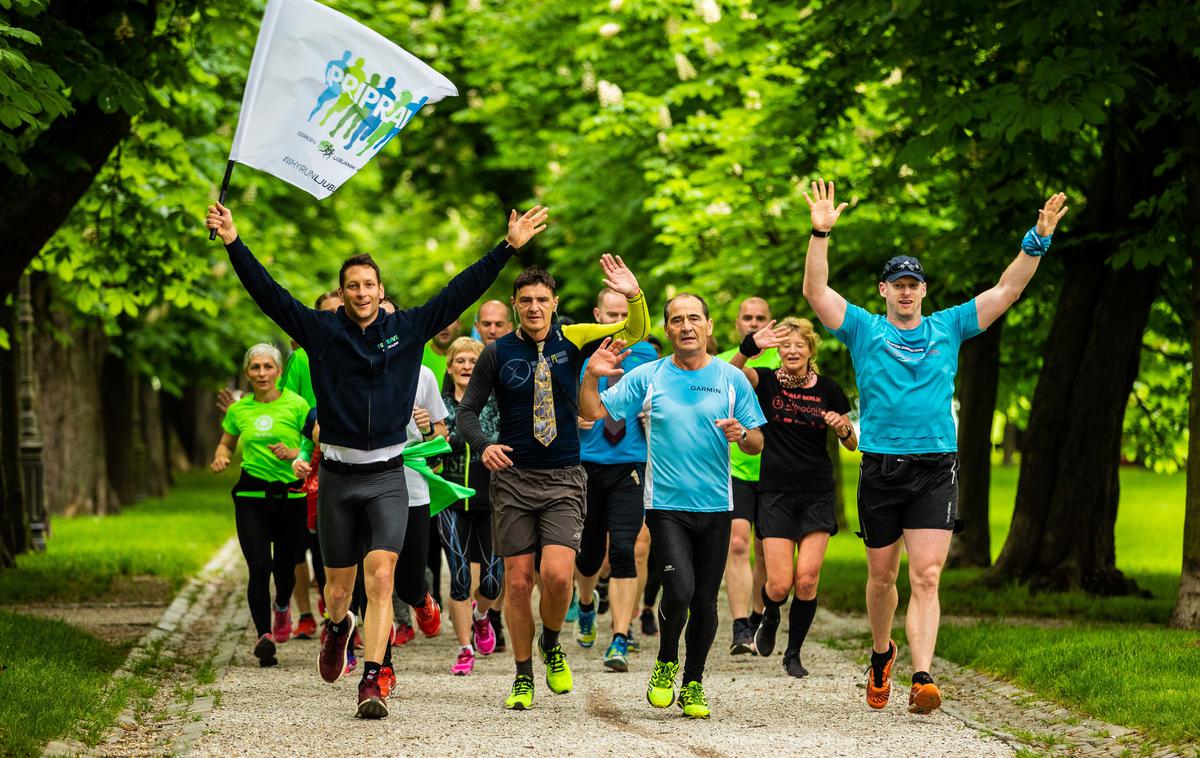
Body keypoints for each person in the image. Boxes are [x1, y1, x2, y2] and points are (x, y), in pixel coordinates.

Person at [206, 201, 548, 719]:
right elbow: (268, 293)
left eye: (369, 285)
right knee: (339, 591)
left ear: (380, 291)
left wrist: (506, 247)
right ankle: (337, 625)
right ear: (342, 294)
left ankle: (373, 678)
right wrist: (233, 240)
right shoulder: (321, 331)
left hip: (389, 474)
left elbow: (460, 289)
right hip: (340, 478)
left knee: (382, 577)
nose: (361, 293)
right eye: (352, 286)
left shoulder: (408, 329)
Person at [801, 178, 1068, 714]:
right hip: (879, 466)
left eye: (913, 284)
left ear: (924, 291)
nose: (905, 291)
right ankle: (882, 654)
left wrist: (1035, 239)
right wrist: (820, 233)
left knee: (926, 575)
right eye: (896, 283)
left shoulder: (949, 326)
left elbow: (1006, 291)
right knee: (882, 578)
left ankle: (923, 676)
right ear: (883, 291)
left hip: (934, 468)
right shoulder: (863, 329)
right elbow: (816, 293)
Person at [457, 255, 649, 711]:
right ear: (514, 304)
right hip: (513, 479)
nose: (534, 307)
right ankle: (523, 675)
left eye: (542, 299)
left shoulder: (574, 337)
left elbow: (636, 332)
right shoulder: (497, 352)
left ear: (554, 302)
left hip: (564, 476)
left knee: (559, 576)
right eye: (526, 300)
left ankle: (551, 641)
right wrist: (484, 444)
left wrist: (633, 294)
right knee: (519, 583)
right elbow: (466, 411)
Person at [579, 293, 767, 719]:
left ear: (709, 326)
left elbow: (757, 442)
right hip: (665, 505)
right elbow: (594, 413)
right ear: (666, 329)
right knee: (678, 590)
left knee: (704, 603)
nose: (686, 326)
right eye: (677, 319)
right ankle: (666, 659)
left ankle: (694, 682)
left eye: (694, 318)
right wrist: (591, 377)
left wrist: (742, 434)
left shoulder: (730, 378)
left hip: (717, 506)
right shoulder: (650, 375)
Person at [727, 317, 856, 677]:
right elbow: (726, 375)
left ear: (811, 350)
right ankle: (769, 614)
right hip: (776, 493)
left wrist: (843, 429)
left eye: (800, 345)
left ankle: (793, 652)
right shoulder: (765, 382)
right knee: (780, 584)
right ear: (778, 352)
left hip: (816, 493)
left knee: (808, 580)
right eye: (786, 346)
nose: (793, 351)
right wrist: (750, 346)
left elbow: (851, 443)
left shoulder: (828, 389)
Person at [574, 287, 658, 672]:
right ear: (596, 315)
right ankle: (588, 604)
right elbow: (555, 401)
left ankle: (620, 637)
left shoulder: (648, 357)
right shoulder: (577, 355)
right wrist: (570, 416)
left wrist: (652, 418)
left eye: (625, 316)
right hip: (586, 464)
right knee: (589, 554)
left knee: (624, 547)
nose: (619, 325)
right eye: (610, 316)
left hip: (630, 464)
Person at [210, 343, 310, 668]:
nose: (262, 373)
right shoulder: (239, 410)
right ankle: (264, 636)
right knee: (258, 566)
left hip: (291, 496)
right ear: (247, 373)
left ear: (279, 371)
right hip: (252, 495)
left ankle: (282, 604)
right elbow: (227, 442)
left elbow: (313, 443)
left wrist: (295, 454)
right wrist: (222, 456)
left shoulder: (297, 405)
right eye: (256, 368)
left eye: (268, 367)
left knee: (284, 568)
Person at [437, 336, 504, 675]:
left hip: (492, 497)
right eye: (459, 360)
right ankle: (465, 648)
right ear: (450, 367)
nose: (466, 366)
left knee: (492, 580)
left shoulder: (497, 404)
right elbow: (427, 450)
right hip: (450, 497)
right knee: (460, 575)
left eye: (472, 361)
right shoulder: (438, 406)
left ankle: (482, 617)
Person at [716, 296, 778, 655]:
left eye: (760, 317)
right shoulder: (725, 360)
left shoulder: (784, 361)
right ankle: (740, 626)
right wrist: (745, 351)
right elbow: (728, 381)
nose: (753, 323)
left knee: (766, 553)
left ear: (770, 322)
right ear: (738, 324)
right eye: (747, 318)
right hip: (736, 469)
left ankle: (756, 617)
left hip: (774, 472)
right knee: (738, 542)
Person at [283, 289, 341, 640]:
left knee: (336, 541)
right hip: (310, 452)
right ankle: (306, 612)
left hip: (344, 453)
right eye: (327, 313)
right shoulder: (303, 357)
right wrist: (297, 452)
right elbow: (289, 403)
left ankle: (336, 611)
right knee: (301, 541)